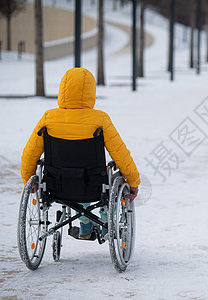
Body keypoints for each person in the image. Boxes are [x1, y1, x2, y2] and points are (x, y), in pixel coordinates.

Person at [20, 67, 140, 239]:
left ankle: (84, 224)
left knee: (75, 175)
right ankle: (105, 219)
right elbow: (121, 153)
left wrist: (28, 178)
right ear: (91, 91)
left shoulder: (49, 118)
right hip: (93, 184)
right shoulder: (100, 119)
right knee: (103, 178)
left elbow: (30, 153)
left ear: (62, 90)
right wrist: (133, 181)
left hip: (57, 184)